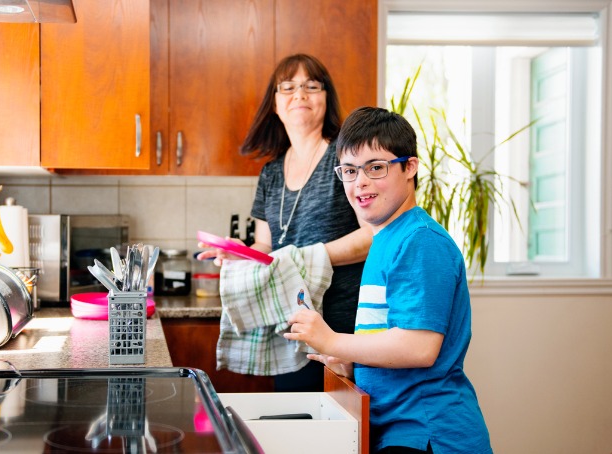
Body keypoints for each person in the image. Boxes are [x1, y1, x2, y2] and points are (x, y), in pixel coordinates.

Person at [284, 106, 492, 453]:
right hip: (400, 428)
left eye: (375, 167)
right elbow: (390, 338)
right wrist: (352, 363)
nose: (360, 182)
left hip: (430, 433)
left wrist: (334, 341)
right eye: (349, 170)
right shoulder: (384, 238)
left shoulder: (420, 240)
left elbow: (419, 347)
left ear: (410, 167)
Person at [198, 54, 372, 392]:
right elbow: (265, 245)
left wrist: (303, 256)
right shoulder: (271, 172)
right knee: (298, 423)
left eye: (311, 86)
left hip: (344, 324)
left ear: (326, 98)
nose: (300, 95)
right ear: (275, 105)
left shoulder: (346, 158)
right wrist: (240, 255)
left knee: (343, 431)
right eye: (288, 87)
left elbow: (372, 236)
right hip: (292, 320)